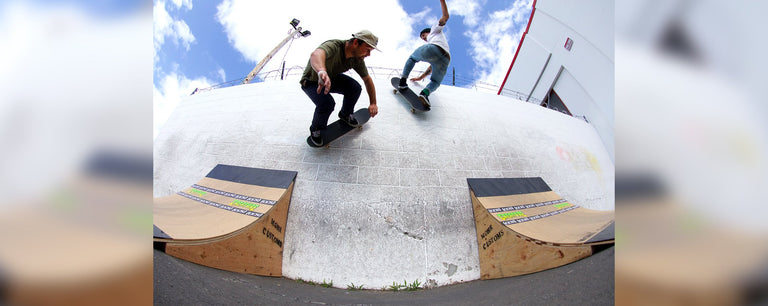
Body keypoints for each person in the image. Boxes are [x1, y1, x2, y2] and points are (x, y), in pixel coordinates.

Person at [300, 30, 380, 147]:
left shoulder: (357, 59)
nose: (368, 54)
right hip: (312, 82)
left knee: (354, 88)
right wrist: (321, 71)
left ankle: (345, 114)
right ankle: (315, 130)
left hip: (330, 78)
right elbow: (316, 54)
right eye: (367, 49)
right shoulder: (334, 46)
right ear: (356, 42)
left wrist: (373, 103)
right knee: (327, 104)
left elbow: (367, 80)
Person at [398, 0, 450, 109]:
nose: (423, 38)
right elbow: (431, 67)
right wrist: (420, 77)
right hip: (444, 60)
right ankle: (425, 93)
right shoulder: (439, 41)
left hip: (434, 49)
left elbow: (445, 16)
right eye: (422, 38)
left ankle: (402, 81)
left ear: (428, 31)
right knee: (435, 81)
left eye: (423, 35)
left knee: (412, 58)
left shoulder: (434, 30)